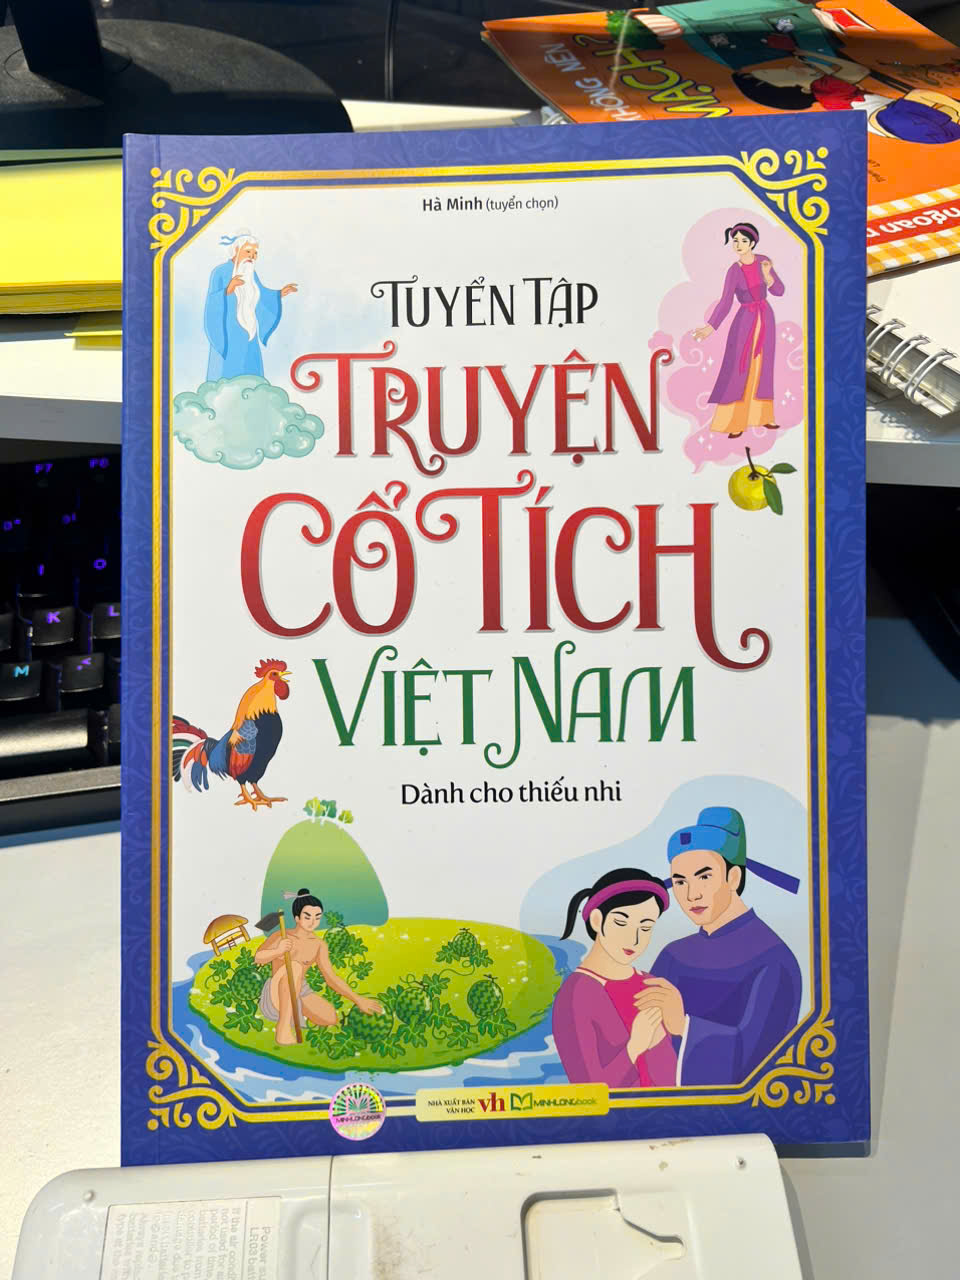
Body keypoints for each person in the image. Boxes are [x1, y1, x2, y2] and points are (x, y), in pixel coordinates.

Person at [635, 806, 802, 1086]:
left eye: (704, 877)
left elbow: (761, 1063)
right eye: (680, 882)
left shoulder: (774, 959)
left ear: (733, 877)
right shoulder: (673, 955)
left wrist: (683, 1025)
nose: (692, 894)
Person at [552, 868, 678, 1087]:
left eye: (646, 927)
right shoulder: (577, 993)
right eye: (621, 923)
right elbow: (588, 1090)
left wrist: (676, 1027)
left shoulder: (652, 985)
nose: (634, 939)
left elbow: (674, 1079)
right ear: (596, 920)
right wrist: (635, 1047)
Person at [691, 221, 784, 439]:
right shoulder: (734, 271)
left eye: (743, 240)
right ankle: (735, 421)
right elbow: (725, 302)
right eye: (735, 241)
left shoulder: (763, 262)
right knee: (739, 369)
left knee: (763, 368)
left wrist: (768, 275)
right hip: (744, 322)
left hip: (765, 319)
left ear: (752, 243)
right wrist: (710, 327)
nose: (739, 244)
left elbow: (779, 291)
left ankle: (763, 416)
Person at [256, 888, 382, 1046]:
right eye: (307, 916)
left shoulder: (318, 945)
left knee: (330, 1017)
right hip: (276, 991)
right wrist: (278, 951)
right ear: (297, 917)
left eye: (317, 917)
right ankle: (283, 1028)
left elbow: (331, 977)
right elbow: (258, 957)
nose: (312, 922)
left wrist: (358, 999)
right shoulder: (283, 936)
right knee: (295, 967)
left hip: (301, 990)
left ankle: (296, 1013)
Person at [203, 230, 298, 382]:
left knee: (251, 374)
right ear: (236, 249)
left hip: (248, 331)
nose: (252, 256)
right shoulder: (220, 272)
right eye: (248, 251)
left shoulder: (250, 273)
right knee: (227, 374)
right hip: (227, 333)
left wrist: (279, 294)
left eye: (255, 253)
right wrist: (229, 289)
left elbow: (261, 295)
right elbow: (212, 303)